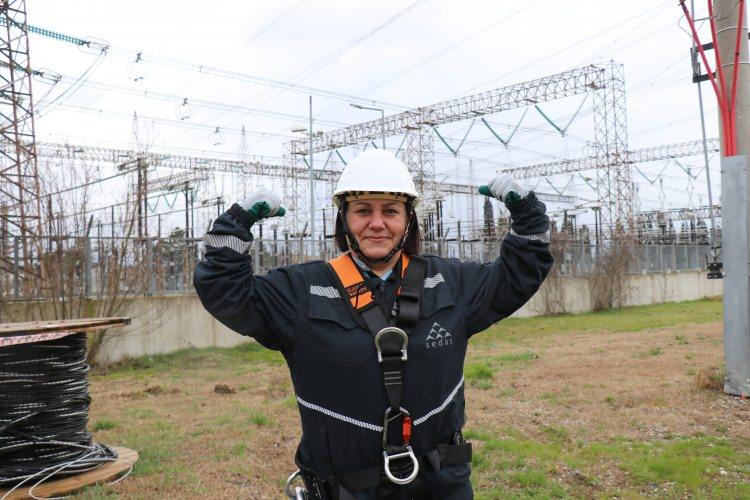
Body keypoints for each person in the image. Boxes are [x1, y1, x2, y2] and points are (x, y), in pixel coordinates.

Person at [193, 149, 553, 499]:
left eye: (391, 211)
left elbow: (517, 276)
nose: (377, 223)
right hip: (346, 489)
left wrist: (529, 221)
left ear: (407, 220)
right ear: (344, 220)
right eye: (363, 210)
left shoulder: (450, 283)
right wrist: (234, 226)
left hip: (442, 485)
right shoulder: (301, 290)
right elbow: (226, 292)